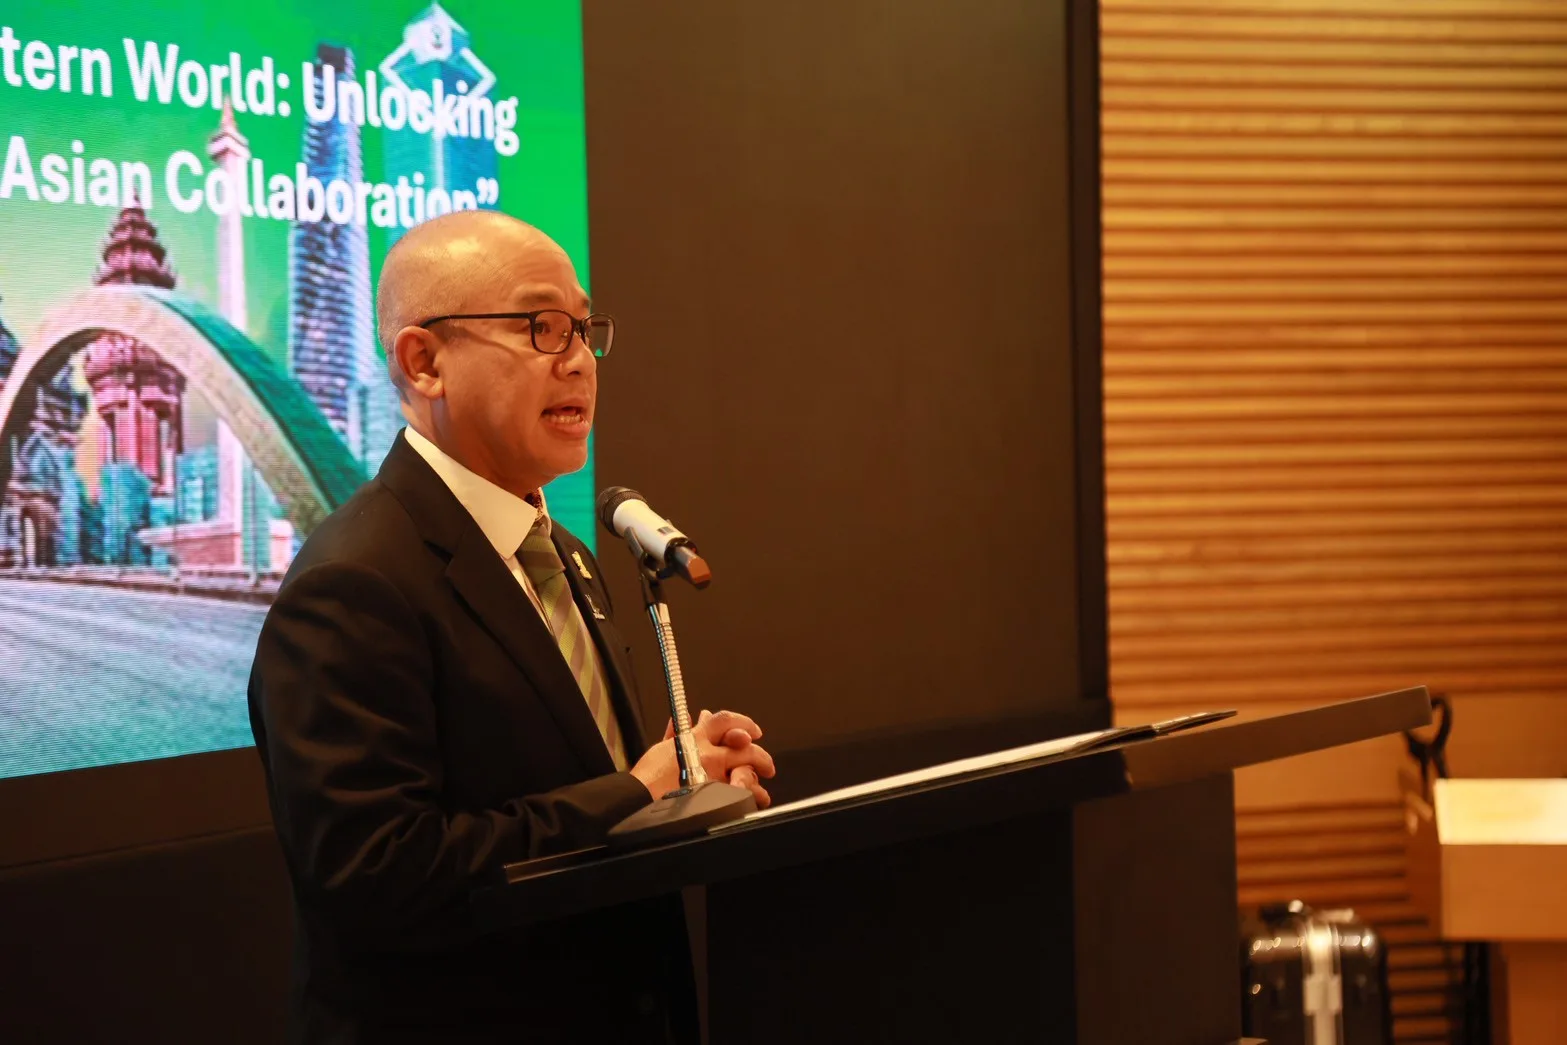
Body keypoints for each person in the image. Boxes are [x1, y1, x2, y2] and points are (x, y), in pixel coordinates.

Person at [247, 210, 776, 1044]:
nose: (578, 358)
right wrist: (636, 788)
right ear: (423, 362)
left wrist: (683, 781)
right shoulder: (352, 583)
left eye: (583, 328)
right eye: (540, 327)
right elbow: (376, 877)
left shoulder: (565, 553)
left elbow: (575, 786)